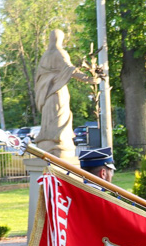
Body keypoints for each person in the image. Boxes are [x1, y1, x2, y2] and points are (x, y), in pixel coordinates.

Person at [34, 29, 101, 159]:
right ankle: (58, 141)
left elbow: (39, 77)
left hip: (47, 94)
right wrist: (88, 79)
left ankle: (48, 142)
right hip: (58, 92)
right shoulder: (60, 53)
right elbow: (71, 69)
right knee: (60, 117)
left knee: (50, 118)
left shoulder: (45, 56)